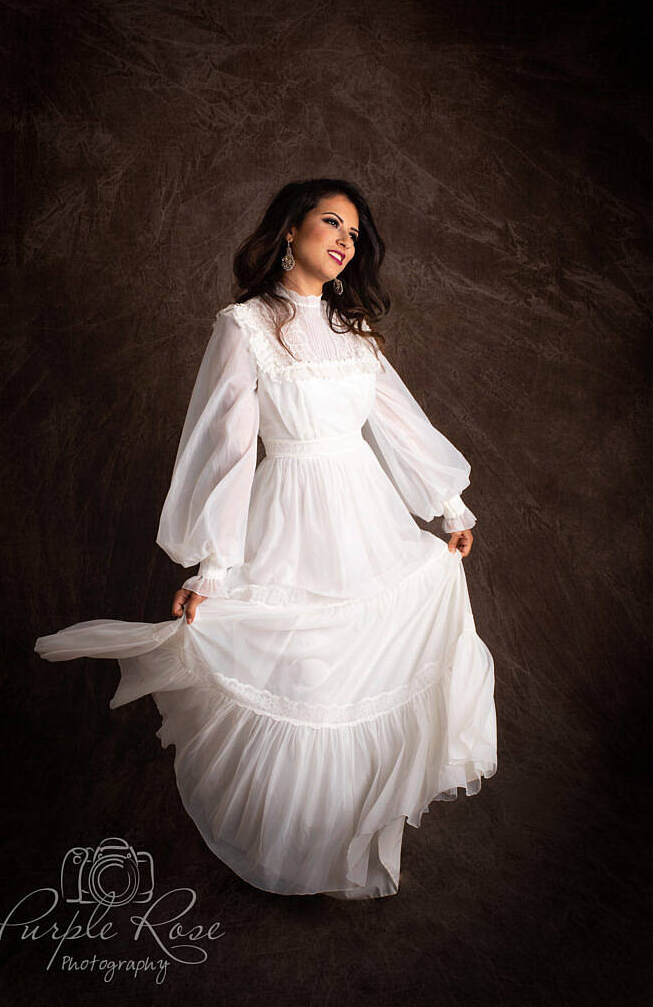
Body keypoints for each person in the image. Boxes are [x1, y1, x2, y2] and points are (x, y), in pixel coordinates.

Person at [34, 178, 497, 900]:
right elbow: (225, 448)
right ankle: (306, 849)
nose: (345, 242)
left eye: (354, 233)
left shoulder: (353, 331)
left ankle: (354, 843)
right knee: (307, 676)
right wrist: (213, 565)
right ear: (290, 231)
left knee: (366, 670)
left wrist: (450, 506)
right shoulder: (244, 326)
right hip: (292, 519)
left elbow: (398, 420)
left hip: (368, 520)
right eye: (330, 223)